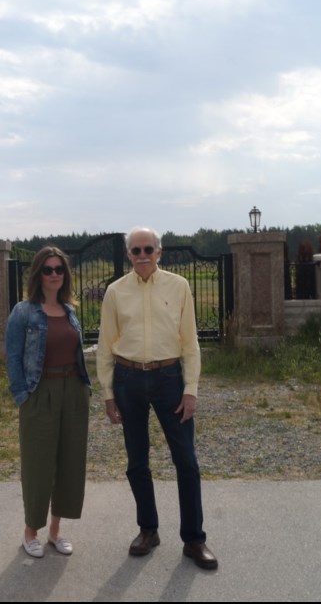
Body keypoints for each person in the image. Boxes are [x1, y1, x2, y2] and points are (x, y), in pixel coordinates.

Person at [96, 227, 218, 570]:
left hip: (169, 379)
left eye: (148, 248)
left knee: (187, 461)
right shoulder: (115, 292)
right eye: (135, 250)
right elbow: (105, 346)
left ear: (160, 252)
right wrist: (108, 394)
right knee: (137, 461)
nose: (142, 255)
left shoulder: (179, 287)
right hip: (128, 379)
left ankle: (194, 539)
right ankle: (148, 530)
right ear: (129, 255)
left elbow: (190, 342)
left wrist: (190, 389)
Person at [5, 246, 92, 559]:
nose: (54, 274)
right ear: (38, 274)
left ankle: (55, 531)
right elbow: (13, 356)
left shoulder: (70, 310)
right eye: (48, 269)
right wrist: (22, 396)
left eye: (59, 270)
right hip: (39, 391)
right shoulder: (23, 312)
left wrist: (84, 388)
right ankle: (31, 531)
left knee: (69, 463)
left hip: (73, 392)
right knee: (38, 464)